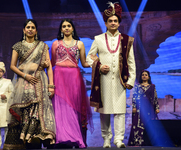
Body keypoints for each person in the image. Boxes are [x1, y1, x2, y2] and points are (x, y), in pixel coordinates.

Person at [86, 2, 136, 148]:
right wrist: (100, 67)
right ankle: (106, 139)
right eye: (110, 21)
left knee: (120, 111)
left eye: (115, 21)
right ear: (106, 23)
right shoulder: (98, 39)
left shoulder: (127, 40)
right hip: (104, 80)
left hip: (121, 81)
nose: (113, 23)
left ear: (119, 23)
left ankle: (119, 139)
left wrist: (131, 80)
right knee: (105, 111)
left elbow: (131, 62)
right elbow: (90, 57)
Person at [3, 19, 56, 149]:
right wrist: (25, 75)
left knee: (38, 109)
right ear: (24, 30)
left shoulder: (43, 46)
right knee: (26, 108)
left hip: (40, 80)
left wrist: (51, 85)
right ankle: (24, 138)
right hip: (24, 81)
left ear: (36, 31)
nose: (30, 29)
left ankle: (36, 137)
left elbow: (48, 66)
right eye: (28, 27)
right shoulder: (18, 46)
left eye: (33, 27)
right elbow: (12, 66)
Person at [51, 18, 93, 148]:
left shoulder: (79, 44)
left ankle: (75, 137)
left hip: (74, 77)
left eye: (69, 26)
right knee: (60, 106)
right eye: (64, 26)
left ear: (73, 28)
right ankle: (61, 137)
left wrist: (95, 62)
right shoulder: (55, 44)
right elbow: (51, 64)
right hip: (59, 76)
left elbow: (84, 63)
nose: (66, 28)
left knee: (73, 107)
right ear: (61, 29)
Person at [128, 70, 159, 146]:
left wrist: (157, 107)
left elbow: (155, 97)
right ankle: (137, 142)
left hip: (150, 109)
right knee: (137, 125)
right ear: (141, 77)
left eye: (146, 75)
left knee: (150, 125)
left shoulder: (152, 86)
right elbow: (134, 97)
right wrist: (134, 107)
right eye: (143, 75)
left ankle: (150, 142)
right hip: (139, 108)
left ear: (148, 77)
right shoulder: (137, 86)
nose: (144, 76)